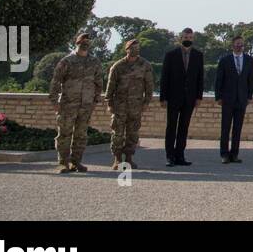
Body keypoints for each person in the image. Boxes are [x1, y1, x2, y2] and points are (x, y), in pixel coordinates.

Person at [49, 32, 103, 173]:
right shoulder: (67, 61)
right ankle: (63, 163)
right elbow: (56, 81)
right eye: (83, 41)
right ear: (77, 42)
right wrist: (54, 100)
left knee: (81, 135)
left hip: (86, 105)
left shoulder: (94, 62)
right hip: (68, 104)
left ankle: (76, 162)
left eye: (88, 42)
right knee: (65, 133)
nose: (86, 44)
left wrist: (95, 99)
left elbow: (99, 82)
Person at [104, 37, 153, 170]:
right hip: (119, 106)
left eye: (137, 48)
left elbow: (149, 86)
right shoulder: (118, 66)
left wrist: (146, 102)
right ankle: (118, 160)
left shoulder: (145, 65)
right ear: (126, 50)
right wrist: (109, 102)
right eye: (132, 48)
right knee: (118, 133)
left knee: (133, 133)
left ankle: (129, 159)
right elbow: (111, 86)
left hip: (136, 106)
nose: (135, 51)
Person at [158, 28, 203, 166]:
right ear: (181, 38)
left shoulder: (198, 55)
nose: (188, 39)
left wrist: (198, 97)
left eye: (190, 37)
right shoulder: (171, 55)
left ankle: (180, 156)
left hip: (189, 98)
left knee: (184, 127)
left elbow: (200, 77)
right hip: (173, 97)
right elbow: (164, 77)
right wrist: (163, 97)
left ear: (193, 39)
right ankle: (170, 156)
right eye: (185, 37)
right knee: (171, 127)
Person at [214, 35, 253, 163]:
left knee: (237, 129)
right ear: (232, 45)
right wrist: (218, 96)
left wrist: (249, 96)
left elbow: (251, 80)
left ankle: (234, 154)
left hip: (241, 99)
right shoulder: (225, 60)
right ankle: (224, 154)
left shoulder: (249, 60)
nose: (239, 46)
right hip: (227, 99)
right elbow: (219, 80)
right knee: (225, 128)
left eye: (241, 44)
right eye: (237, 44)